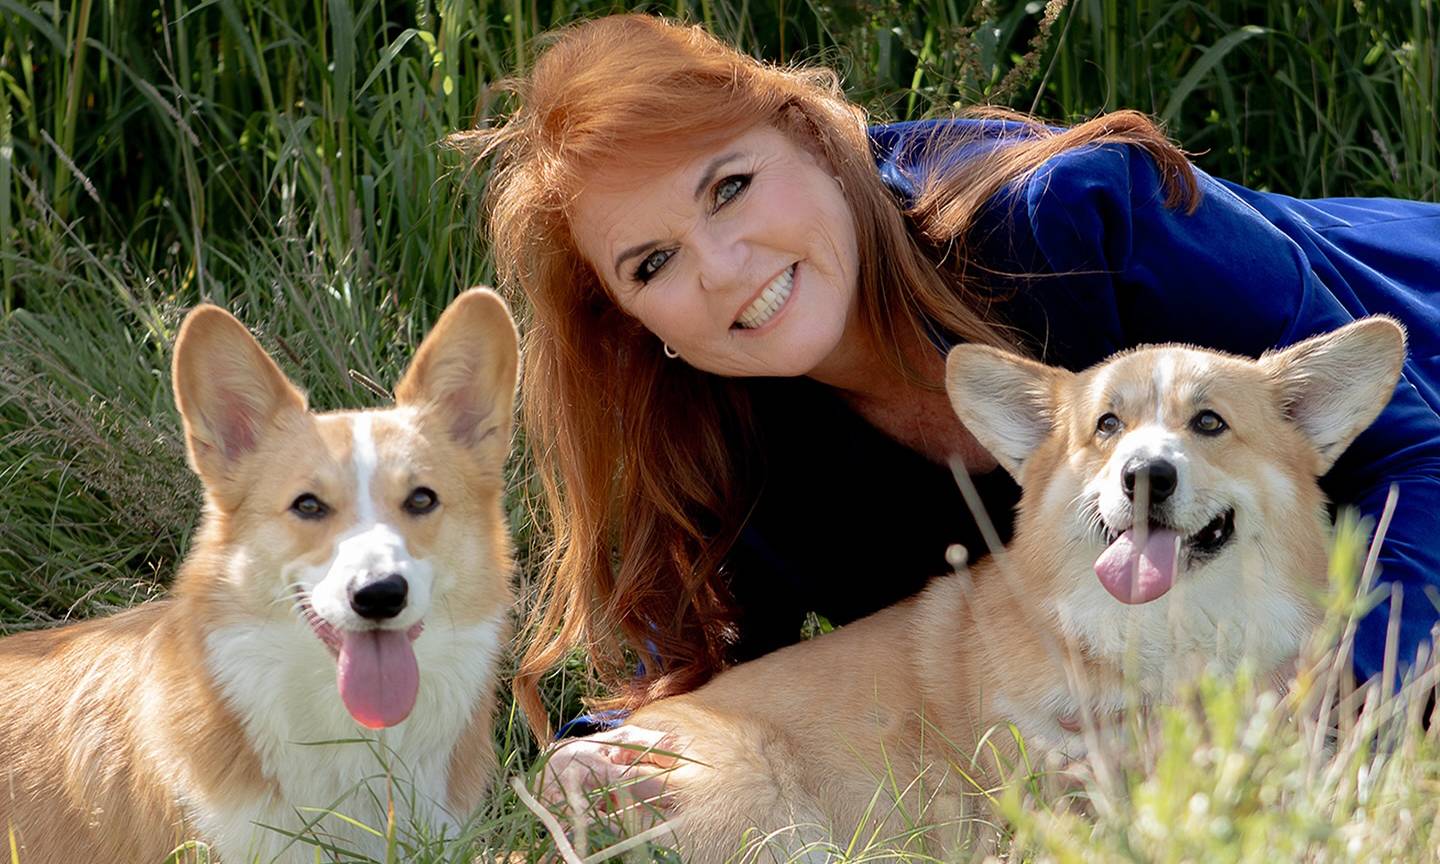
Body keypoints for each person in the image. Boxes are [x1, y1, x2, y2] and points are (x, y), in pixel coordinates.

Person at [450, 13, 1440, 799]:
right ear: (632, 321)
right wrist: (608, 756)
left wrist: (1349, 695)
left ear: (810, 134)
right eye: (652, 263)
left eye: (731, 187)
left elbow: (1411, 455)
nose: (719, 267)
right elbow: (699, 676)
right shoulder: (723, 443)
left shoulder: (1072, 216)